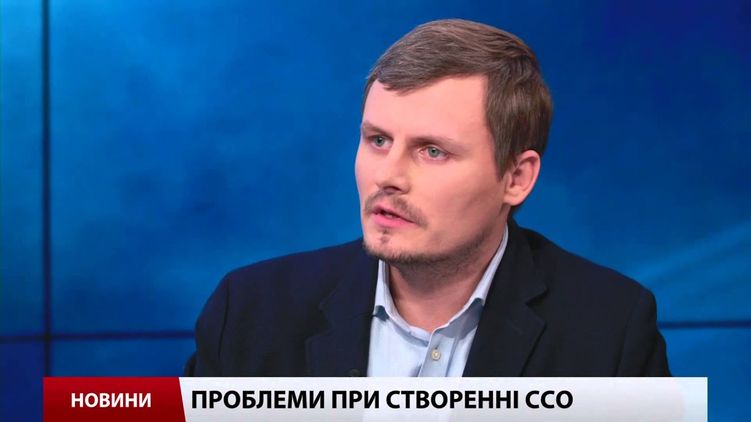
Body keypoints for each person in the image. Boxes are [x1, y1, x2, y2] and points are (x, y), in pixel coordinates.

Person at [185, 19, 670, 377]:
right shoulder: (249, 312)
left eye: (432, 151)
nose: (388, 176)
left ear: (516, 178)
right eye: (378, 140)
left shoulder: (610, 329)